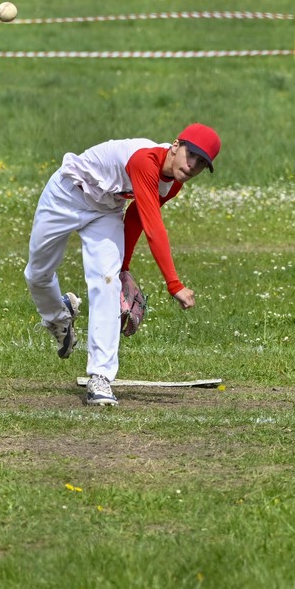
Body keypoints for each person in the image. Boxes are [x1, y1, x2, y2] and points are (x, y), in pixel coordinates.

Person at [24, 124, 221, 407]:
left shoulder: (172, 182)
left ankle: (100, 377)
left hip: (105, 211)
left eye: (202, 163)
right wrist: (174, 283)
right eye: (191, 155)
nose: (193, 166)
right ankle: (58, 316)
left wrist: (123, 269)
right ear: (176, 145)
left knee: (107, 282)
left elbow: (137, 218)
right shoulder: (145, 159)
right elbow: (154, 226)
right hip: (66, 195)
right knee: (38, 273)